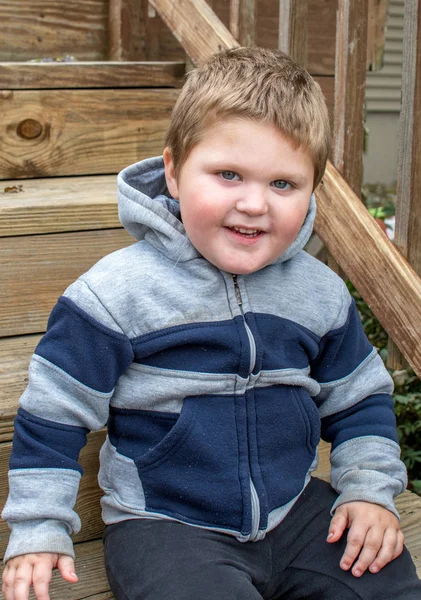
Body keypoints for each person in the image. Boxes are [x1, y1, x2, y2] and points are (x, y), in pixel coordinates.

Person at [2, 47, 420, 600]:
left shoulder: (319, 293)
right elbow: (54, 412)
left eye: (283, 184)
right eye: (228, 175)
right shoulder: (115, 295)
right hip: (166, 525)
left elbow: (359, 398)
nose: (254, 204)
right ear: (174, 172)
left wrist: (368, 490)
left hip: (294, 512)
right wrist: (38, 526)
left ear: (312, 190)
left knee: (383, 582)